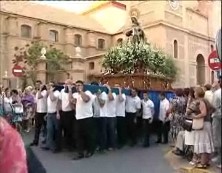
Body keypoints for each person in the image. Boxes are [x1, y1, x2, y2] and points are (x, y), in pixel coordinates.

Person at [71, 80, 95, 160]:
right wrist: (70, 90)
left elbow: (86, 99)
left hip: (87, 117)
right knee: (78, 137)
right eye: (76, 85)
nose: (77, 87)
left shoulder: (87, 92)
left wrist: (81, 91)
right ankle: (80, 153)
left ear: (82, 86)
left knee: (89, 136)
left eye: (79, 85)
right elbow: (71, 101)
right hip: (78, 118)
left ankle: (90, 151)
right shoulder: (76, 95)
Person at [191, 87, 214, 169]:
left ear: (198, 93)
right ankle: (206, 161)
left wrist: (195, 116)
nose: (194, 94)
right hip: (207, 123)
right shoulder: (206, 100)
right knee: (205, 143)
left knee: (202, 143)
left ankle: (203, 162)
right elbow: (211, 110)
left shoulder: (201, 102)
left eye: (195, 92)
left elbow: (203, 113)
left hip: (202, 124)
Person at [42, 82, 61, 153]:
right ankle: (48, 145)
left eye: (50, 85)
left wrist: (50, 91)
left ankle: (56, 146)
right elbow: (49, 104)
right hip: (49, 114)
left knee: (56, 130)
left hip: (55, 113)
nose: (48, 86)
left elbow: (53, 99)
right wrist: (47, 113)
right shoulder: (49, 93)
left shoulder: (57, 93)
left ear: (53, 87)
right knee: (49, 129)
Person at [59, 79, 76, 150]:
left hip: (70, 112)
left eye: (67, 84)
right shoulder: (62, 91)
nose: (65, 85)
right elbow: (60, 101)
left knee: (70, 129)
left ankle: (71, 145)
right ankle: (65, 144)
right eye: (65, 84)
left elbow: (71, 100)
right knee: (64, 128)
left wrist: (70, 90)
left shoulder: (74, 91)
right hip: (63, 111)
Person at [30, 80, 47, 146]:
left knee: (45, 127)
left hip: (44, 111)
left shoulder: (44, 92)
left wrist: (40, 89)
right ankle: (35, 141)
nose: (37, 86)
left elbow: (40, 97)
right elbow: (36, 102)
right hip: (38, 111)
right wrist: (35, 112)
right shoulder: (37, 92)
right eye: (36, 84)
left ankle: (45, 141)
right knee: (37, 127)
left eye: (39, 84)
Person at [211, 80, 221, 169]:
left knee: (217, 137)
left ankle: (220, 159)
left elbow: (213, 106)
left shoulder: (217, 93)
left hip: (218, 117)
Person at [104, 84, 117, 150]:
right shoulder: (104, 94)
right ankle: (106, 145)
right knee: (106, 131)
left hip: (112, 115)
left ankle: (112, 145)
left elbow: (110, 98)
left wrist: (109, 89)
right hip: (105, 115)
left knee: (112, 131)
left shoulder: (113, 94)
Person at [115, 85, 127, 149]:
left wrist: (120, 91)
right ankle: (117, 142)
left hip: (121, 114)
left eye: (117, 87)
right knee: (116, 129)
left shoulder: (123, 95)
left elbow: (120, 99)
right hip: (114, 114)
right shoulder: (114, 94)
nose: (116, 88)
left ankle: (122, 142)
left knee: (121, 130)